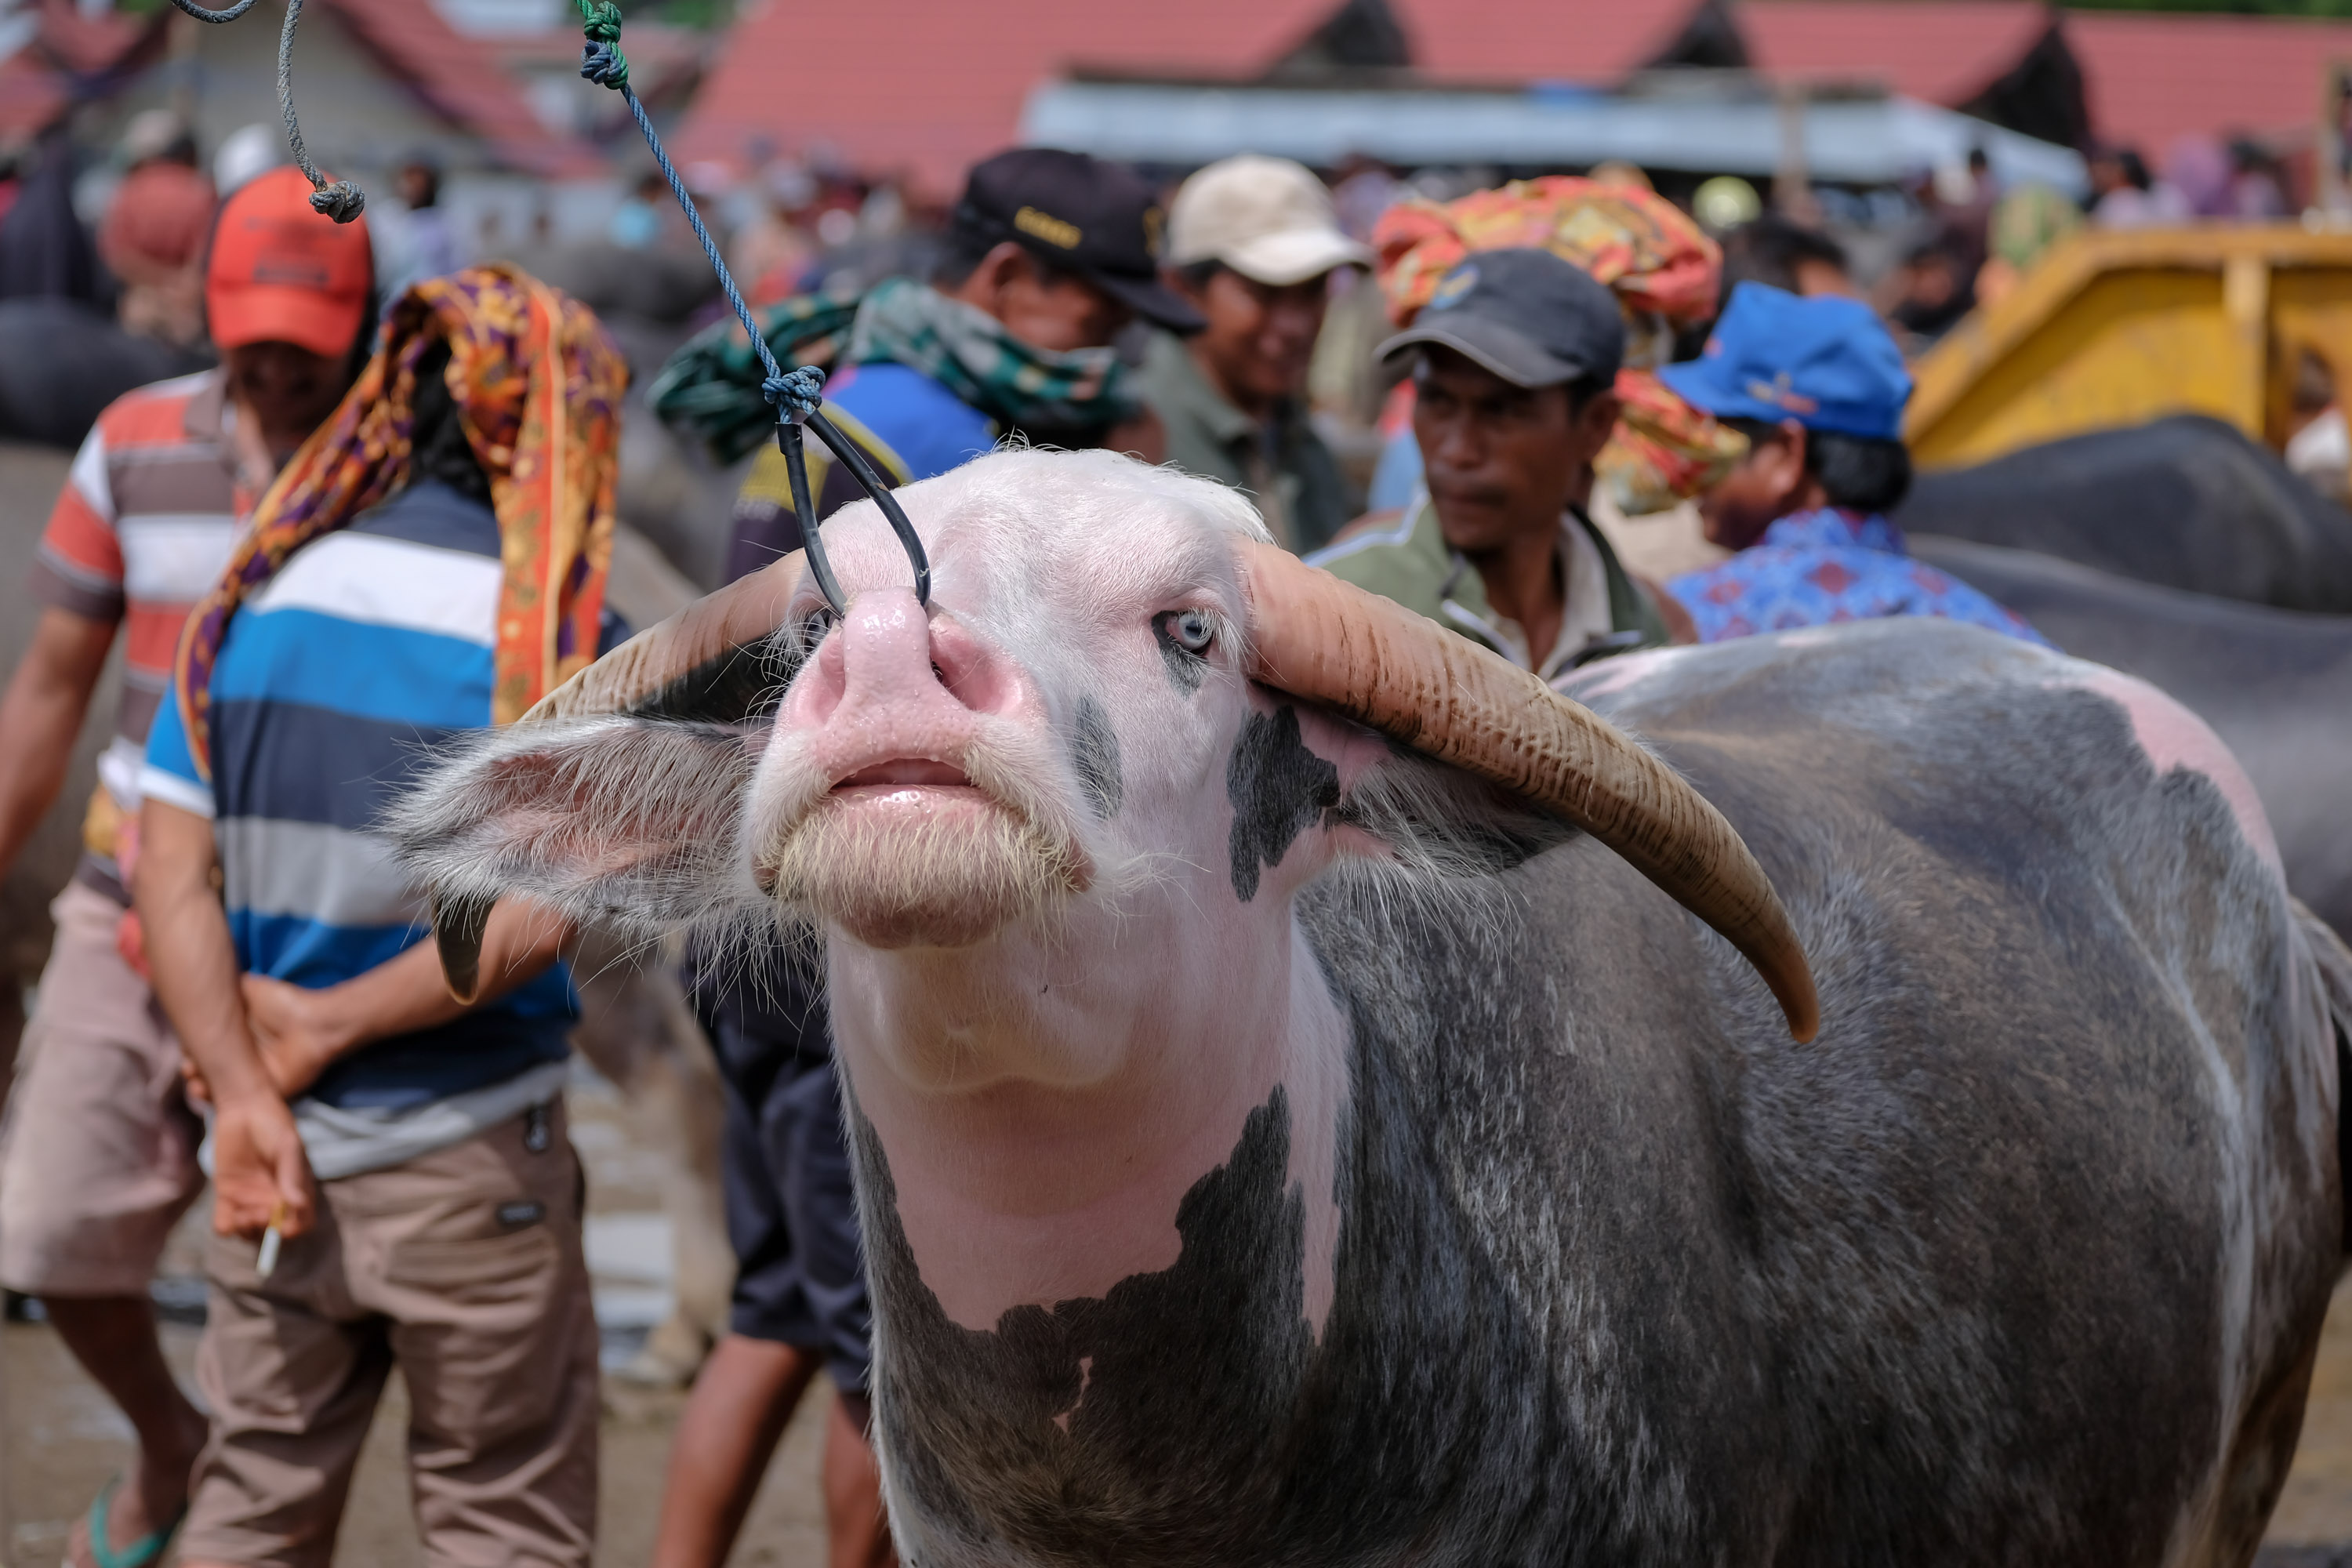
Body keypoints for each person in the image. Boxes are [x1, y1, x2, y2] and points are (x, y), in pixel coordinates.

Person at [134, 264, 625, 1568]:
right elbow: (534, 921)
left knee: (252, 1503)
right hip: (470, 1162)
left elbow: (164, 872)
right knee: (500, 1516)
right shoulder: (568, 647)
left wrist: (246, 1090)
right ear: (559, 424)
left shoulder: (252, 603)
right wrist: (325, 1032)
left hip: (273, 1159)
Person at [0, 163, 373, 1568]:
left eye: (307, 335)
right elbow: (50, 686)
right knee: (43, 1233)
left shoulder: (401, 468)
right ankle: (172, 1440)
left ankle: (242, 1520)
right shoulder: (133, 439)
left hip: (302, 927)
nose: (275, 361)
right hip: (123, 897)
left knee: (277, 1270)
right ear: (207, 305)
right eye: (251, 328)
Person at [722, 145, 1200, 578]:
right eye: (1098, 325)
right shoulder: (950, 450)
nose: (1109, 363)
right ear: (1005, 278)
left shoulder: (860, 390)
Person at [1309, 247, 1673, 677]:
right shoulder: (1334, 612)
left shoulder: (1643, 637)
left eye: (1501, 411)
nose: (1457, 451)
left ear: (1595, 425)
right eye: (1437, 401)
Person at [1661, 282, 2045, 645]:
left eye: (1712, 436)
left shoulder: (1691, 620)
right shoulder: (1983, 625)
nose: (1690, 462)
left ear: (1786, 456)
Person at [1141, 154, 1370, 552]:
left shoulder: (1299, 440)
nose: (1295, 326)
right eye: (1263, 293)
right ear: (1181, 290)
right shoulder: (1135, 443)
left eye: (1313, 291)